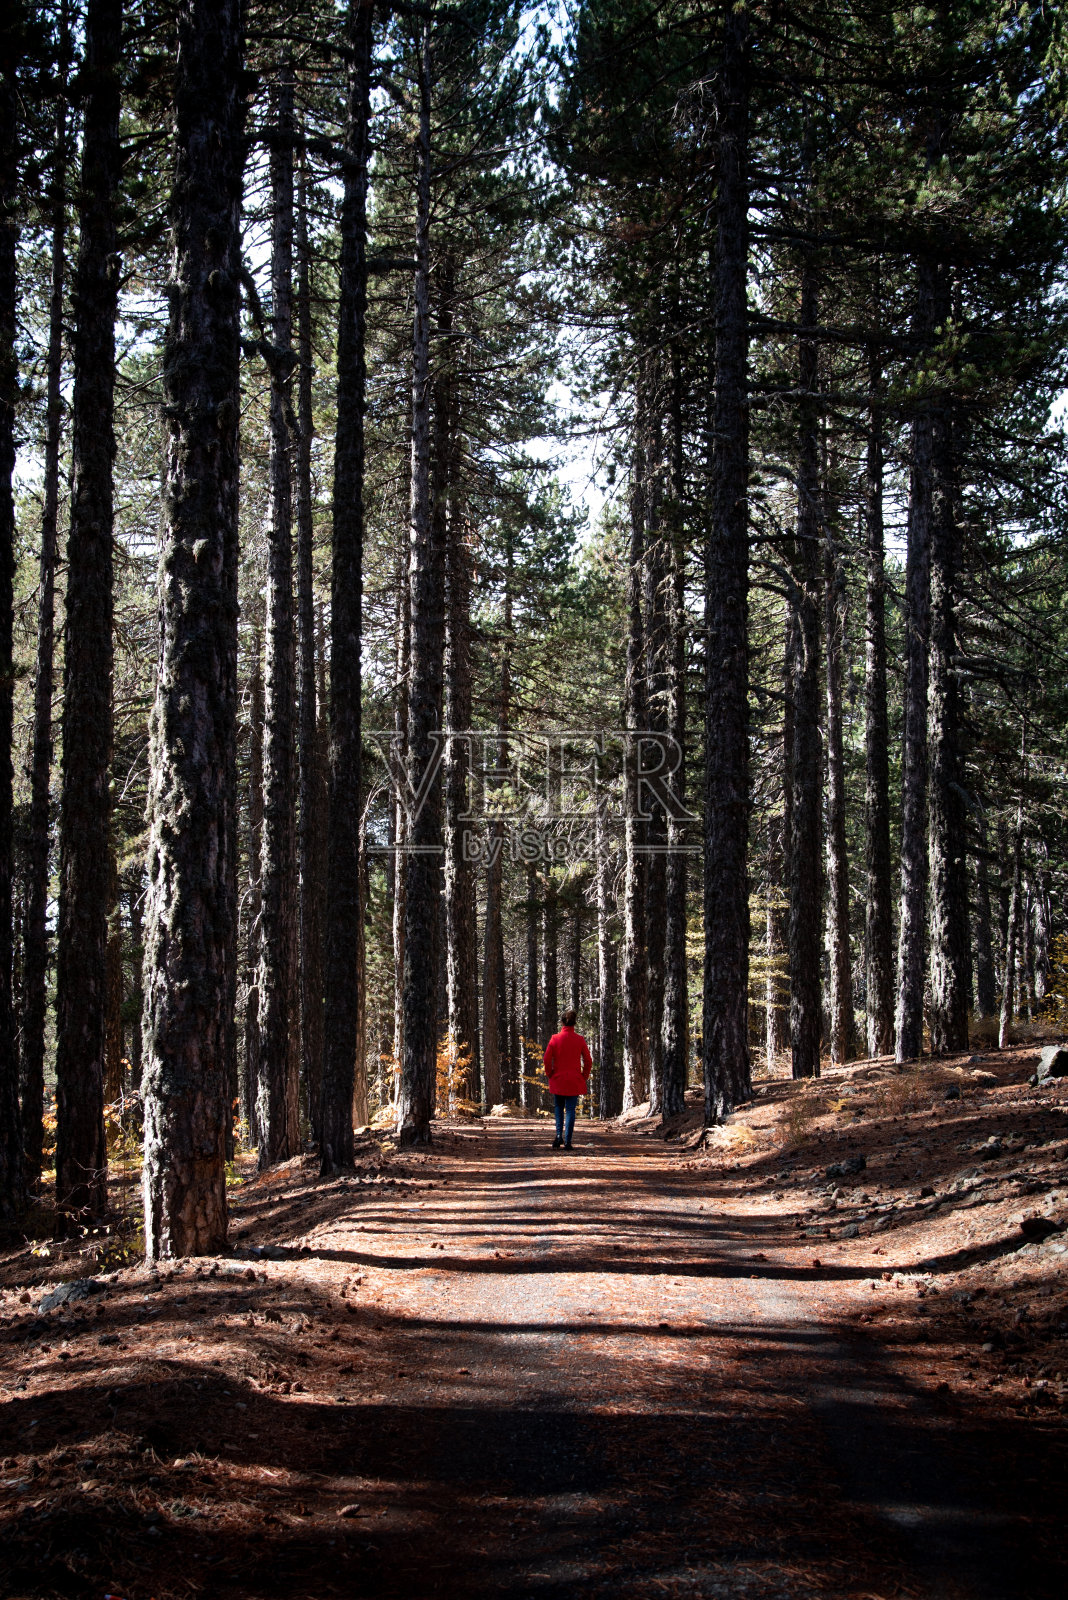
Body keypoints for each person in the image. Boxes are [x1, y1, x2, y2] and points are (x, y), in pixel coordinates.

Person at [543, 1008, 592, 1151]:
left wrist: (550, 1073)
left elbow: (546, 1059)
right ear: (574, 1023)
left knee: (559, 1107)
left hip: (558, 1079)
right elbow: (588, 1061)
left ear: (562, 1022)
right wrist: (583, 1076)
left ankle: (559, 1135)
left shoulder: (555, 1039)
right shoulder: (579, 1040)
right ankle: (568, 1141)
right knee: (570, 1109)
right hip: (574, 1080)